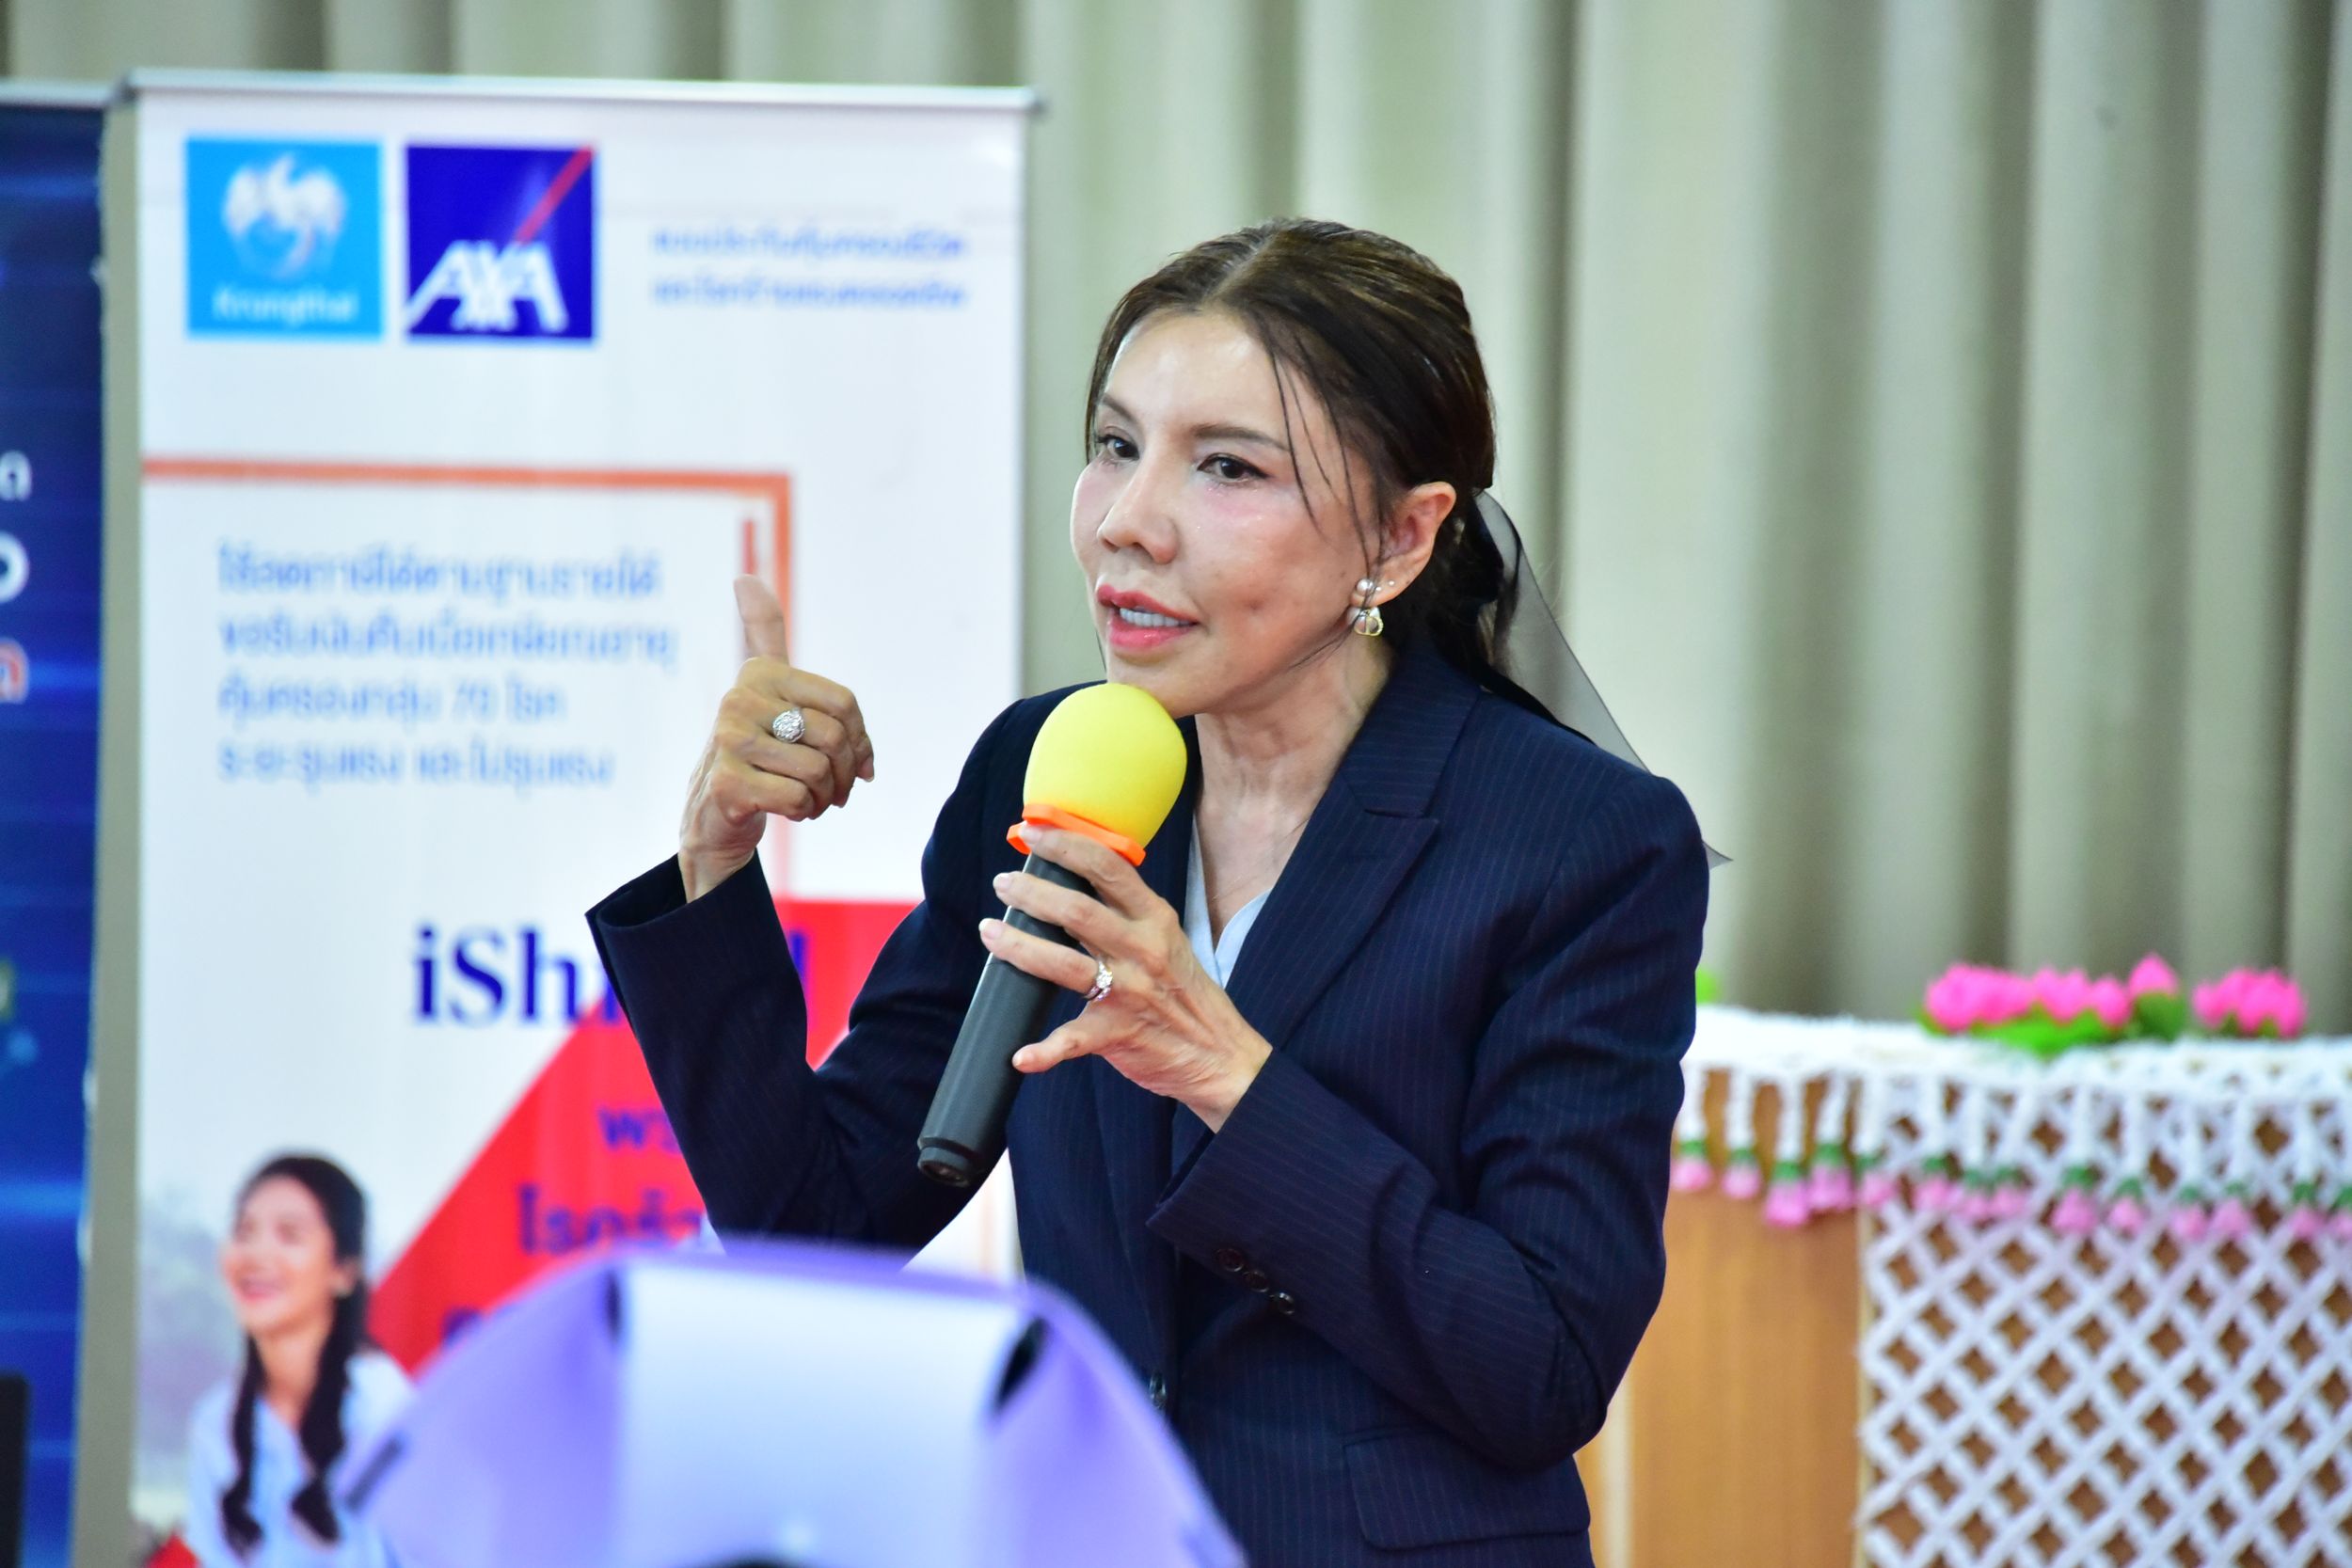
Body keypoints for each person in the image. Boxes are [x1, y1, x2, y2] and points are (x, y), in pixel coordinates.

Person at [590, 217, 1709, 1567]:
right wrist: (716, 860)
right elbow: (817, 1224)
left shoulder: (1578, 840)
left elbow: (1541, 1366)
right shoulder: (1048, 765)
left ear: (1404, 535)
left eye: (1228, 466)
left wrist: (1228, 1073)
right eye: (1116, 445)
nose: (1126, 520)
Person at [183, 1156, 410, 1567]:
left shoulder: (384, 1408)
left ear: (344, 1271)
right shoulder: (214, 1422)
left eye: (289, 1235)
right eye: (244, 1232)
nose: (256, 1255)